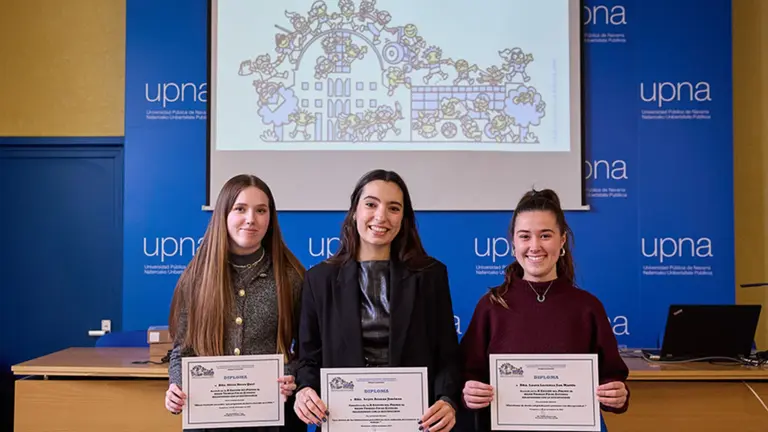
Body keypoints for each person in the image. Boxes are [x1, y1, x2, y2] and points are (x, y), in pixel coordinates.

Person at [293, 169, 461, 431]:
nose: (381, 216)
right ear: (355, 211)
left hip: (416, 423)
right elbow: (309, 358)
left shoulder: (430, 275)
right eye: (371, 204)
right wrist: (304, 391)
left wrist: (447, 400)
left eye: (393, 208)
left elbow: (447, 355)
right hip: (343, 422)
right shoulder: (320, 279)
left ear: (403, 218)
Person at [459, 189, 629, 431]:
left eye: (545, 235)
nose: (535, 246)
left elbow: (612, 376)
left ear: (562, 241)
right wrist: (470, 391)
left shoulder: (587, 307)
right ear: (513, 243)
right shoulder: (491, 305)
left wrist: (617, 395)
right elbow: (467, 375)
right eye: (525, 236)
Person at [164, 174, 306, 432]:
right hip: (209, 420)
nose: (251, 219)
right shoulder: (197, 277)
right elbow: (182, 350)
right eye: (240, 209)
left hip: (274, 418)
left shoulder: (291, 277)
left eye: (261, 210)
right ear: (223, 215)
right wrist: (176, 386)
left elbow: (308, 351)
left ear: (270, 219)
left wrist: (292, 375)